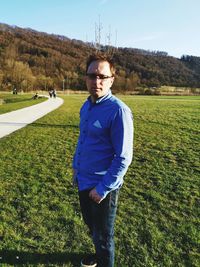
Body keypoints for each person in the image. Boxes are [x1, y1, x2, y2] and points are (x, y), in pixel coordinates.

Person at [72, 54, 134, 267]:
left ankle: (105, 260)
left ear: (111, 80)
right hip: (83, 180)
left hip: (102, 187)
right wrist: (76, 170)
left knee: (104, 236)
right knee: (92, 227)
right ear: (85, 78)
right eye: (92, 75)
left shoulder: (119, 111)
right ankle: (98, 257)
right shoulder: (86, 106)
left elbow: (123, 157)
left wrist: (102, 188)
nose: (96, 81)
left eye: (102, 76)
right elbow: (83, 141)